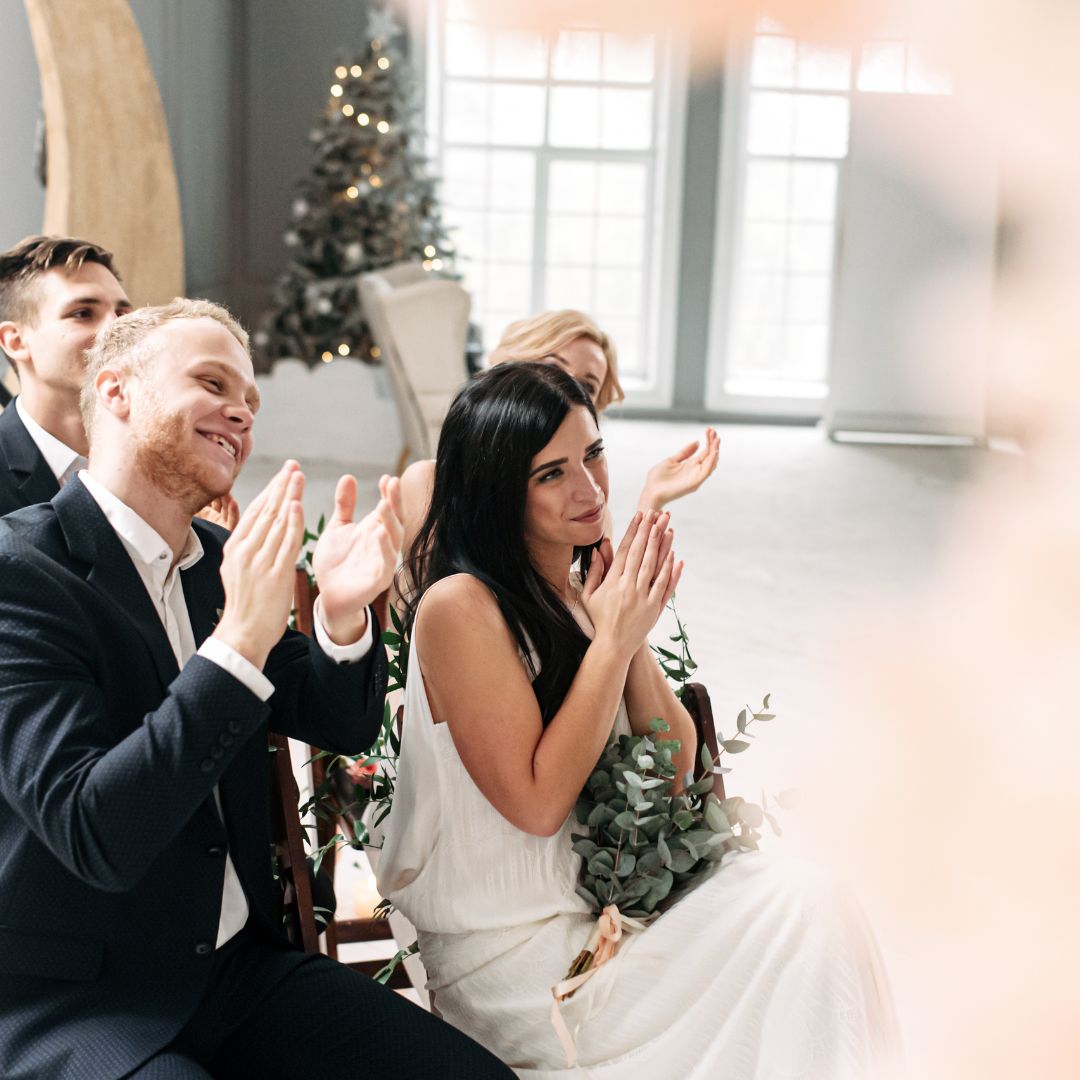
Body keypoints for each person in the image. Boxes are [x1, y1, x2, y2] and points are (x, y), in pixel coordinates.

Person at [0, 299, 510, 1079]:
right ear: (115, 391)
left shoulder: (219, 558)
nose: (240, 412)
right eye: (212, 383)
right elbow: (95, 831)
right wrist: (237, 642)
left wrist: (341, 617)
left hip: (240, 972)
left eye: (250, 401)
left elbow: (340, 722)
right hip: (84, 1003)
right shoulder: (21, 573)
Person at [377, 362, 899, 1077]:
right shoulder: (459, 607)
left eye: (593, 455)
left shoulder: (575, 585)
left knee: (815, 902)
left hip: (608, 916)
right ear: (499, 487)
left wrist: (624, 630)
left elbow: (678, 772)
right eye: (551, 474)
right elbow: (534, 806)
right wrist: (612, 641)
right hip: (515, 956)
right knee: (803, 924)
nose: (589, 489)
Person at [398, 309, 721, 560]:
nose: (564, 388)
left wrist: (652, 497)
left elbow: (613, 610)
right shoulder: (426, 482)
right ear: (510, 363)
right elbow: (417, 618)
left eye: (586, 385)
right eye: (552, 366)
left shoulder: (588, 504)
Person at [0, 235, 239, 528]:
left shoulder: (171, 464)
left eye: (123, 313)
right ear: (16, 341)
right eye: (83, 313)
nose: (115, 328)